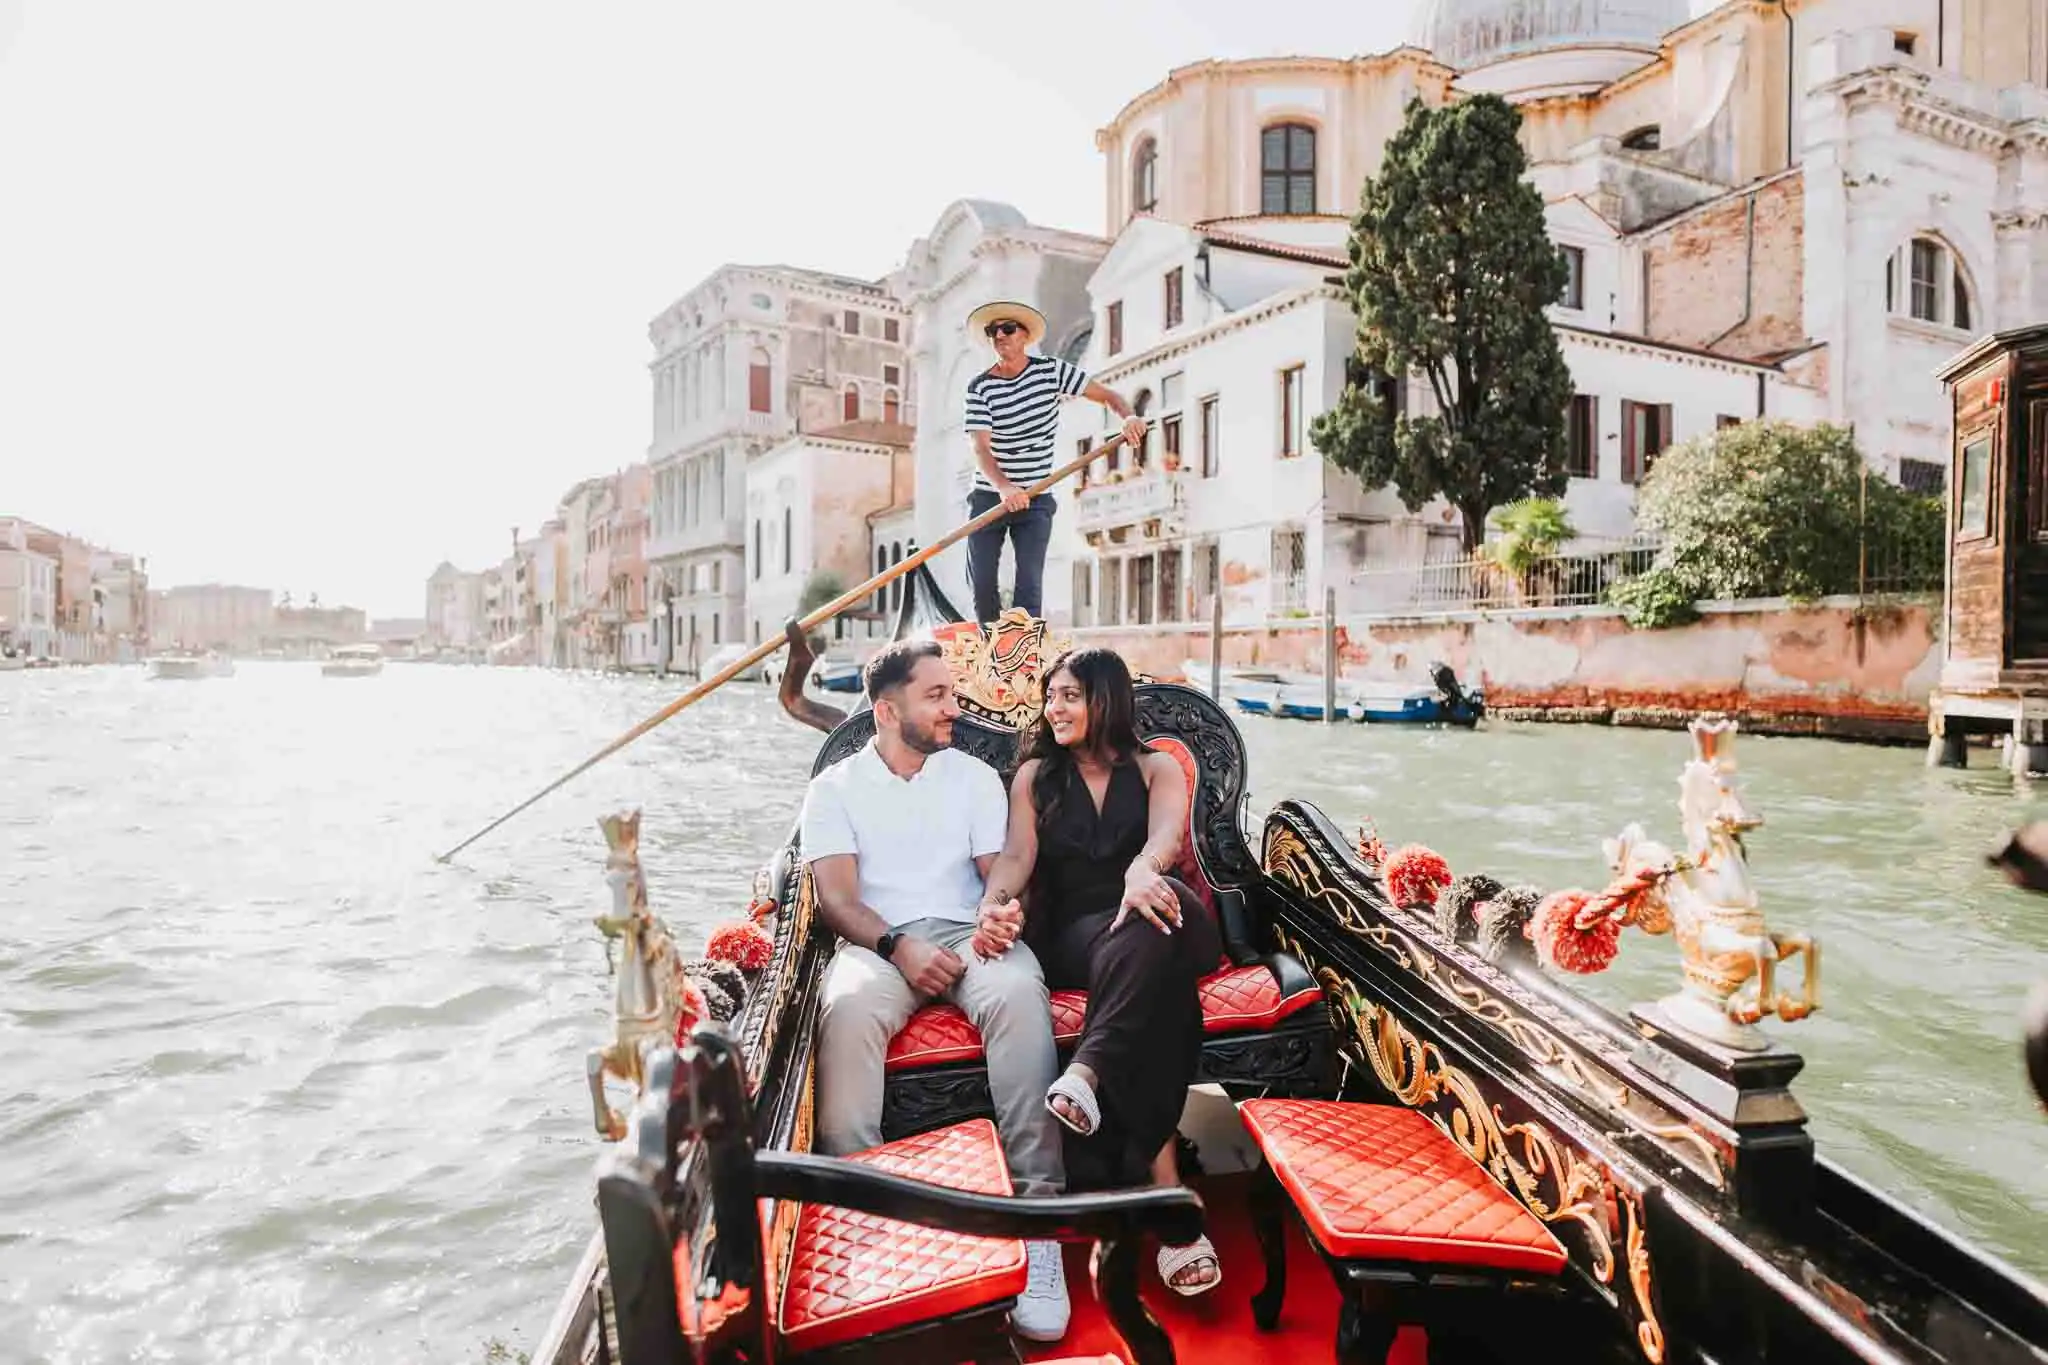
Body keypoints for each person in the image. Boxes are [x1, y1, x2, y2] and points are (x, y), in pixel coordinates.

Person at [798, 638, 1071, 1343]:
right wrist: (898, 946)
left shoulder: (974, 776)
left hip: (964, 932)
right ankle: (859, 1214)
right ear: (888, 711)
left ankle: (1037, 1222)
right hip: (878, 941)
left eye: (953, 691)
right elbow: (836, 899)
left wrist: (999, 910)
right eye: (938, 695)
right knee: (849, 1005)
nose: (956, 706)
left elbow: (998, 868)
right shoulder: (834, 789)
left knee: (1016, 991)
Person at [971, 647, 1225, 1297]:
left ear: (1105, 699)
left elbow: (1167, 836)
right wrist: (992, 904)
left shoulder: (1157, 766)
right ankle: (1171, 1202)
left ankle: (1088, 1070)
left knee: (1152, 919)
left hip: (1164, 905)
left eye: (1069, 696)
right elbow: (1016, 856)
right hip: (1084, 933)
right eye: (1051, 696)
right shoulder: (1034, 777)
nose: (1054, 707)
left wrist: (1143, 870)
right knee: (1151, 975)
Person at [962, 300, 1146, 624]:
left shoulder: (1051, 371)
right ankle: (990, 655)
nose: (999, 336)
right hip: (990, 494)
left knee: (1029, 585)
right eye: (993, 331)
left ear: (1025, 336)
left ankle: (1023, 655)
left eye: (1007, 329)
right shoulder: (980, 387)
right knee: (981, 585)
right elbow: (981, 449)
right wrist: (1005, 487)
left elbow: (1108, 396)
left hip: (1036, 495)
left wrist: (1129, 416)